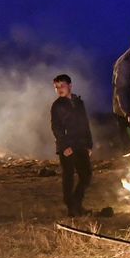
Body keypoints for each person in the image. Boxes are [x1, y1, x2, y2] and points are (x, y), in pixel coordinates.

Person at [51, 73, 94, 217]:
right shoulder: (57, 106)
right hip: (67, 147)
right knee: (68, 177)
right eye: (56, 87)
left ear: (70, 85)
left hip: (81, 144)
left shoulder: (79, 102)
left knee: (86, 176)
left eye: (61, 86)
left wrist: (89, 145)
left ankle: (76, 203)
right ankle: (72, 208)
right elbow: (56, 128)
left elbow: (85, 124)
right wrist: (64, 146)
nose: (59, 89)